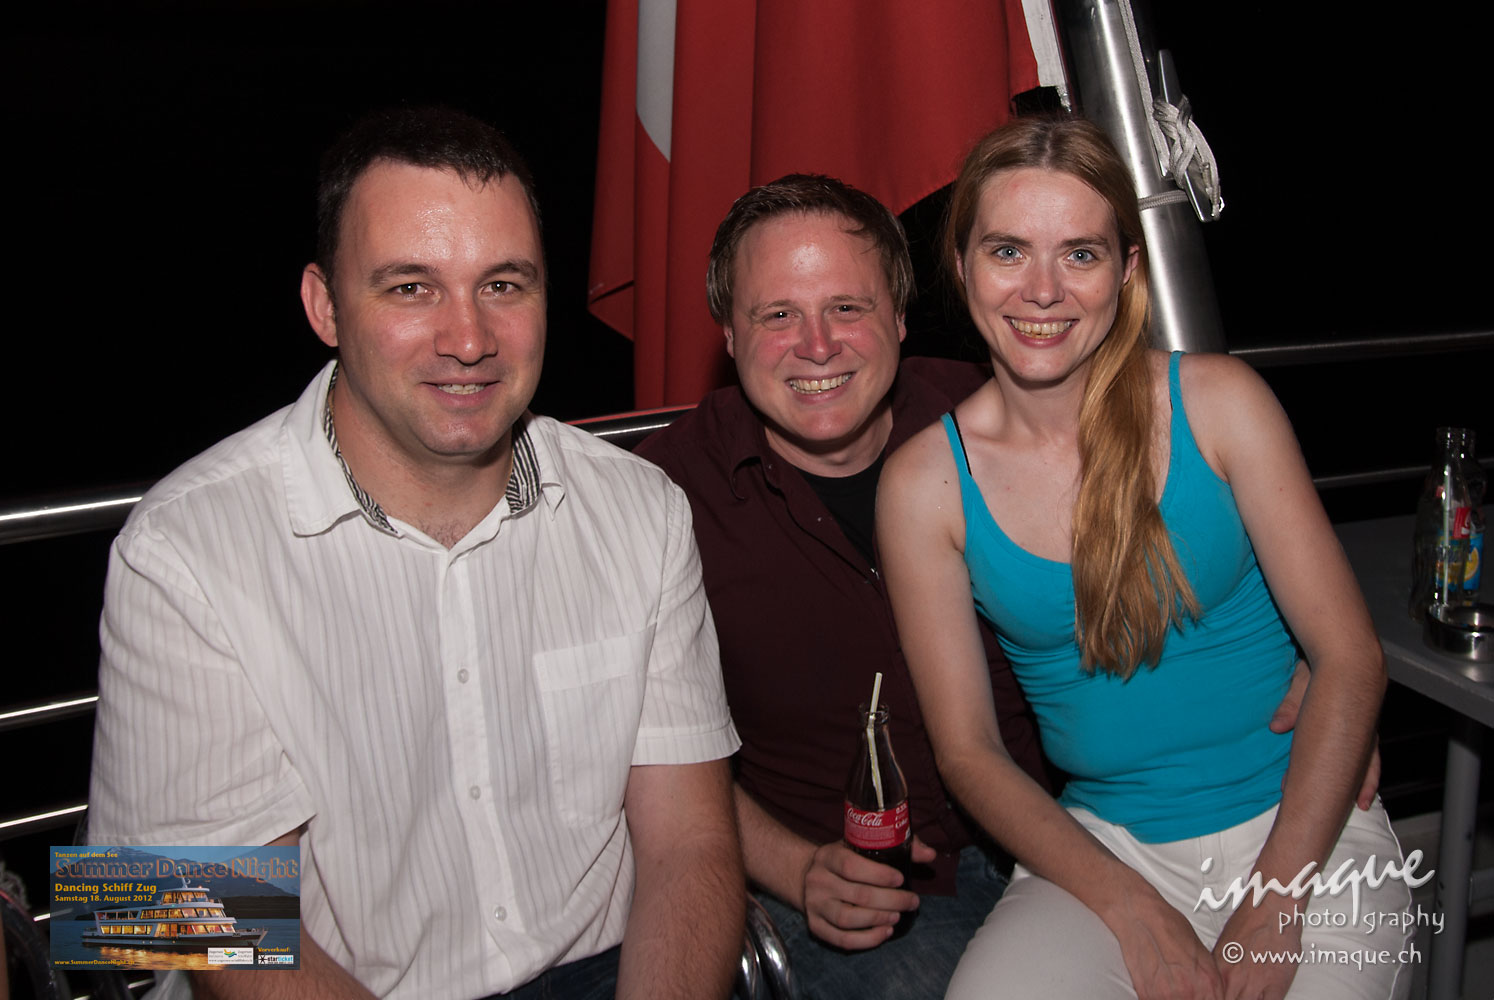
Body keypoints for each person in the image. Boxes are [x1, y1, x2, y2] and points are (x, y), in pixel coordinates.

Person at [634, 174, 1347, 999]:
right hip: (867, 896)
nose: (818, 345)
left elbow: (1203, 523)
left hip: (1069, 838)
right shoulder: (665, 499)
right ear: (729, 333)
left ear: (901, 316)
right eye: (777, 315)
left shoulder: (1005, 405)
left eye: (848, 307)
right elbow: (636, 750)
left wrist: (1323, 681)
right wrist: (790, 866)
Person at [88, 106, 743, 1000]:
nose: (468, 339)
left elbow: (692, 843)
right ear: (324, 306)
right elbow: (178, 919)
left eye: (503, 284)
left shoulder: (642, 509)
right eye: (410, 288)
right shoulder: (177, 550)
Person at [878, 115, 1411, 999]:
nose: (1042, 290)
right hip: (1103, 850)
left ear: (1126, 271)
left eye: (1080, 254)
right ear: (962, 265)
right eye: (1008, 251)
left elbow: (1350, 658)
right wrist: (1132, 906)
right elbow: (968, 752)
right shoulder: (925, 486)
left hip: (1304, 826)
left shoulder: (1219, 404)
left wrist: (1277, 900)